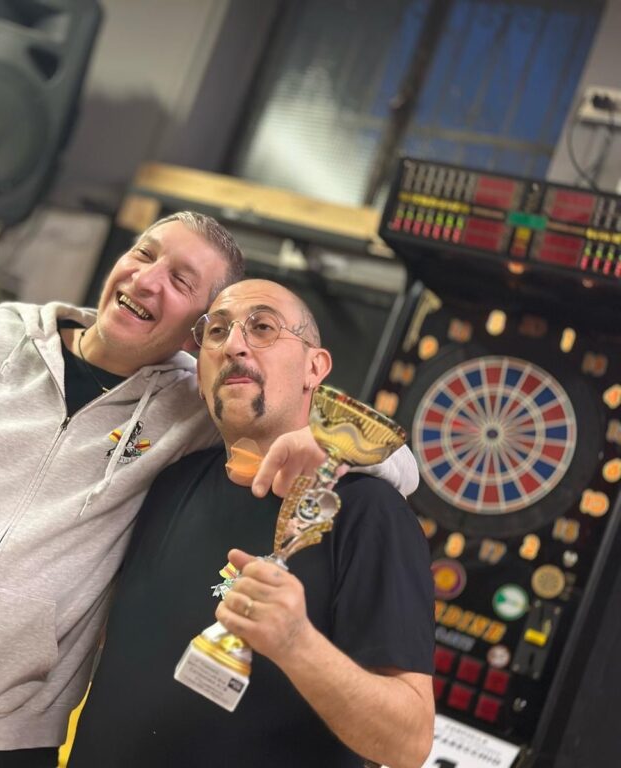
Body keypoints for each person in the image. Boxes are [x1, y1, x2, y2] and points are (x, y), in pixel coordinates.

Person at [0, 214, 418, 767]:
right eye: (144, 254)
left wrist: (333, 448)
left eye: (181, 281)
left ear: (190, 335)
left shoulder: (191, 410)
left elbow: (331, 432)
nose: (148, 279)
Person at [68, 279, 435, 768]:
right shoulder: (166, 482)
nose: (234, 345)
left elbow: (408, 743)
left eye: (263, 327)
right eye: (216, 331)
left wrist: (296, 644)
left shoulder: (368, 512)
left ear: (314, 368)